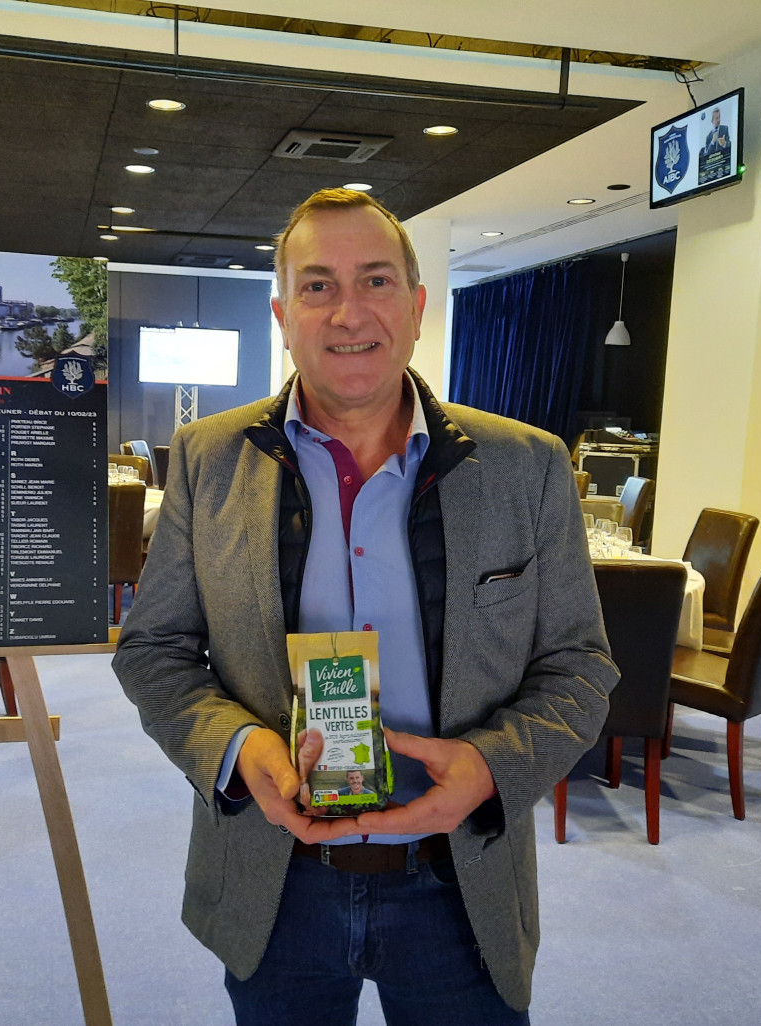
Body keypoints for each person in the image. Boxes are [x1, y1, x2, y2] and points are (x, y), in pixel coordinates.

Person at [112, 187, 616, 1024]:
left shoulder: (526, 467)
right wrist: (239, 750)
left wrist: (491, 767)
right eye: (318, 286)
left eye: (376, 281)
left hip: (461, 881)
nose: (349, 311)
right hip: (276, 879)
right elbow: (153, 649)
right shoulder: (209, 459)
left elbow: (579, 666)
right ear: (282, 313)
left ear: (417, 307)